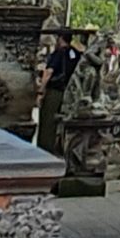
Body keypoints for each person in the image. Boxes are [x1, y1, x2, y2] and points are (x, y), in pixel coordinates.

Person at [35, 27, 81, 155]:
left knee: (48, 121)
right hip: (70, 91)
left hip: (55, 91)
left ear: (60, 38)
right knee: (64, 121)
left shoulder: (58, 53)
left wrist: (41, 90)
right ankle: (62, 148)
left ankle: (45, 150)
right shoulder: (76, 54)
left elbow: (49, 72)